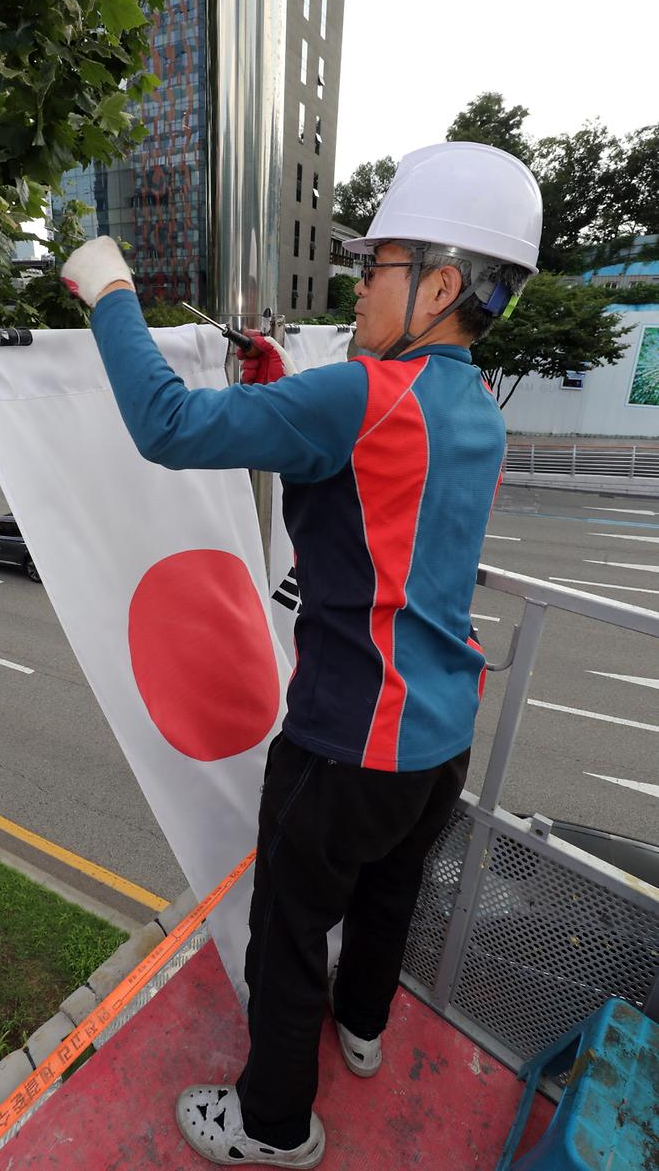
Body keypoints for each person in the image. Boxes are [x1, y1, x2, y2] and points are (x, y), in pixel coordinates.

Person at [61, 142, 543, 1169]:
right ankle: (362, 1031)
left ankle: (273, 1126)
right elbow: (369, 480)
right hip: (439, 735)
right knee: (385, 897)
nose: (357, 285)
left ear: (441, 284)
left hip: (343, 743)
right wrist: (278, 378)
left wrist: (108, 293)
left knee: (285, 938)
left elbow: (167, 422)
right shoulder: (474, 406)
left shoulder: (359, 397)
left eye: (376, 266)